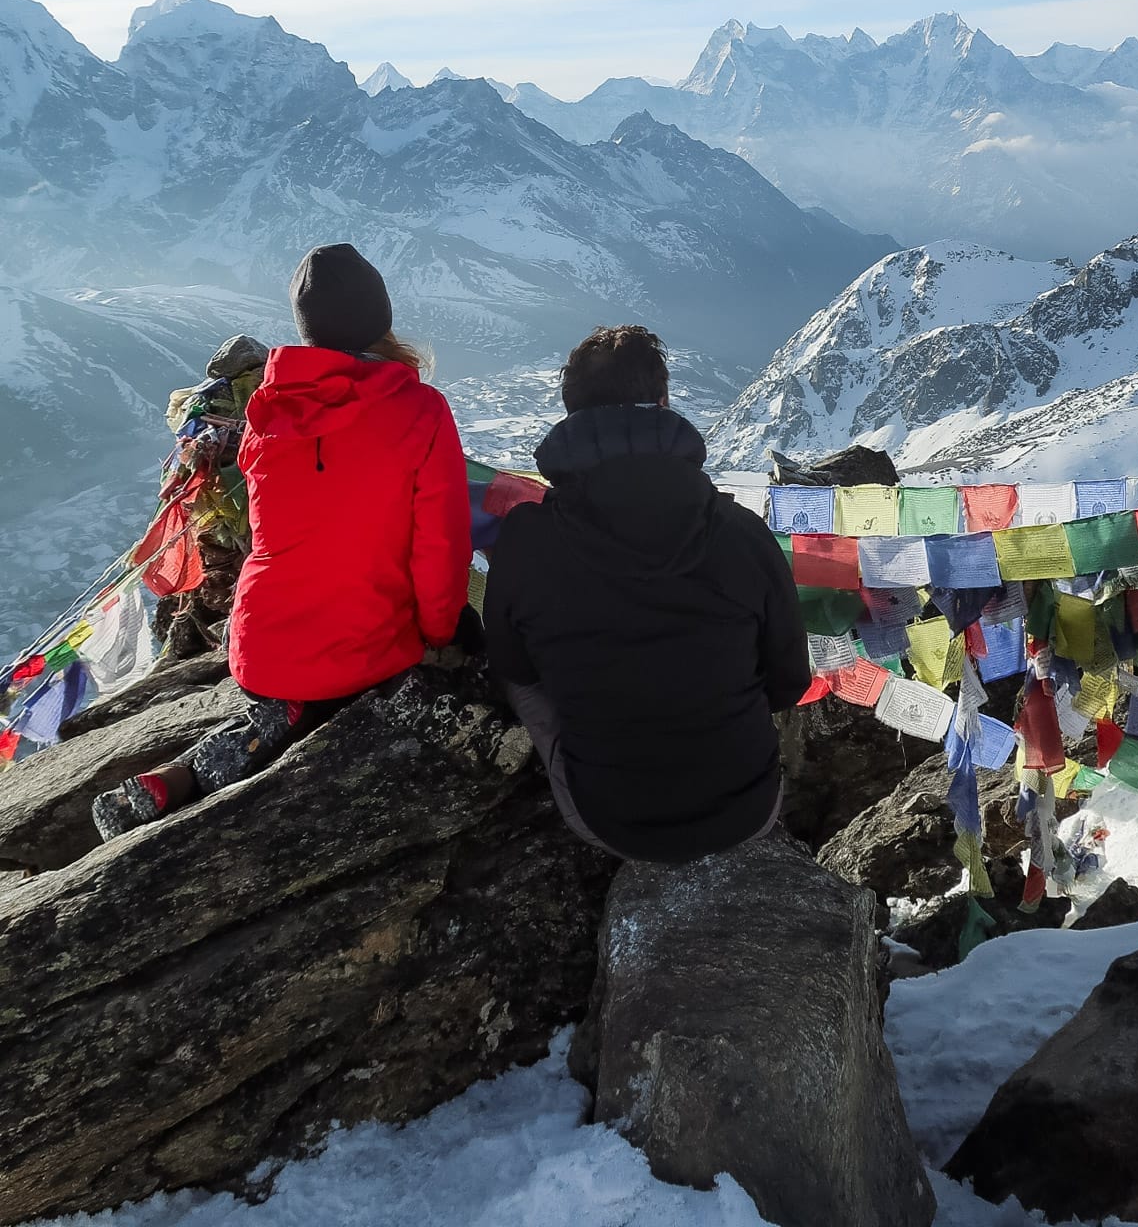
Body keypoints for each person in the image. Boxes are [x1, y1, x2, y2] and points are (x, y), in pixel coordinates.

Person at [93, 244, 473, 839]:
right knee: (407, 678)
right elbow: (441, 547)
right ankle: (288, 717)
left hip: (258, 641)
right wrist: (443, 632)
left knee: (295, 693)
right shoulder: (419, 409)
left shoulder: (266, 411)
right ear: (381, 321)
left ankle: (198, 765)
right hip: (364, 641)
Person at [483, 324, 810, 862]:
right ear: (662, 404)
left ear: (573, 415)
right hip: (746, 810)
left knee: (525, 683)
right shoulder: (744, 533)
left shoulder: (527, 538)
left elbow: (513, 664)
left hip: (607, 819)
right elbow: (788, 682)